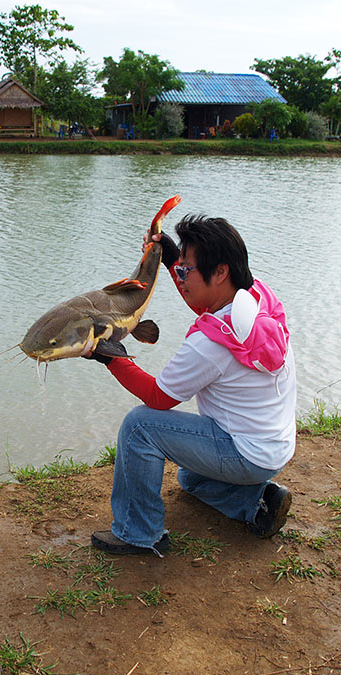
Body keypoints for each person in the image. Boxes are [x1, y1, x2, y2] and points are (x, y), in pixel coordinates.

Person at [85, 215, 296, 555]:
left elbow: (158, 397)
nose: (181, 280)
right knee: (190, 478)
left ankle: (138, 534)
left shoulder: (211, 344)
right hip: (274, 447)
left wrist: (111, 356)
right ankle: (258, 501)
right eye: (179, 270)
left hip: (244, 453)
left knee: (139, 426)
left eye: (187, 271)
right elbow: (203, 301)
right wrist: (171, 259)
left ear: (221, 271)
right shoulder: (258, 298)